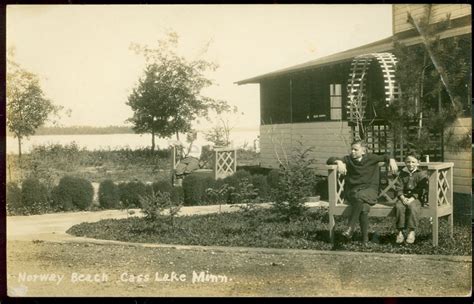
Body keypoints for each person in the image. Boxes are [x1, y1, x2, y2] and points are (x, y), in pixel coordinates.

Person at [327, 140, 398, 243]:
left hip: (370, 190)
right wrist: (339, 162)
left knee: (359, 197)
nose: (352, 152)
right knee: (363, 208)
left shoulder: (371, 158)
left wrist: (391, 160)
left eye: (355, 149)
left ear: (364, 151)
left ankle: (350, 228)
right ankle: (365, 240)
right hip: (353, 191)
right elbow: (330, 160)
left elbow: (386, 156)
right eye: (351, 149)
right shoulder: (348, 159)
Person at [394, 152, 428, 244]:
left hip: (415, 199)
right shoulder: (402, 174)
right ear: (405, 162)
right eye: (408, 162)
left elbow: (421, 189)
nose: (410, 164)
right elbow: (398, 187)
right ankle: (400, 231)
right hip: (403, 197)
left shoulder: (421, 174)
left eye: (413, 162)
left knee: (412, 207)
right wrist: (402, 198)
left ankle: (411, 231)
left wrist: (412, 198)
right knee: (399, 207)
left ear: (418, 163)